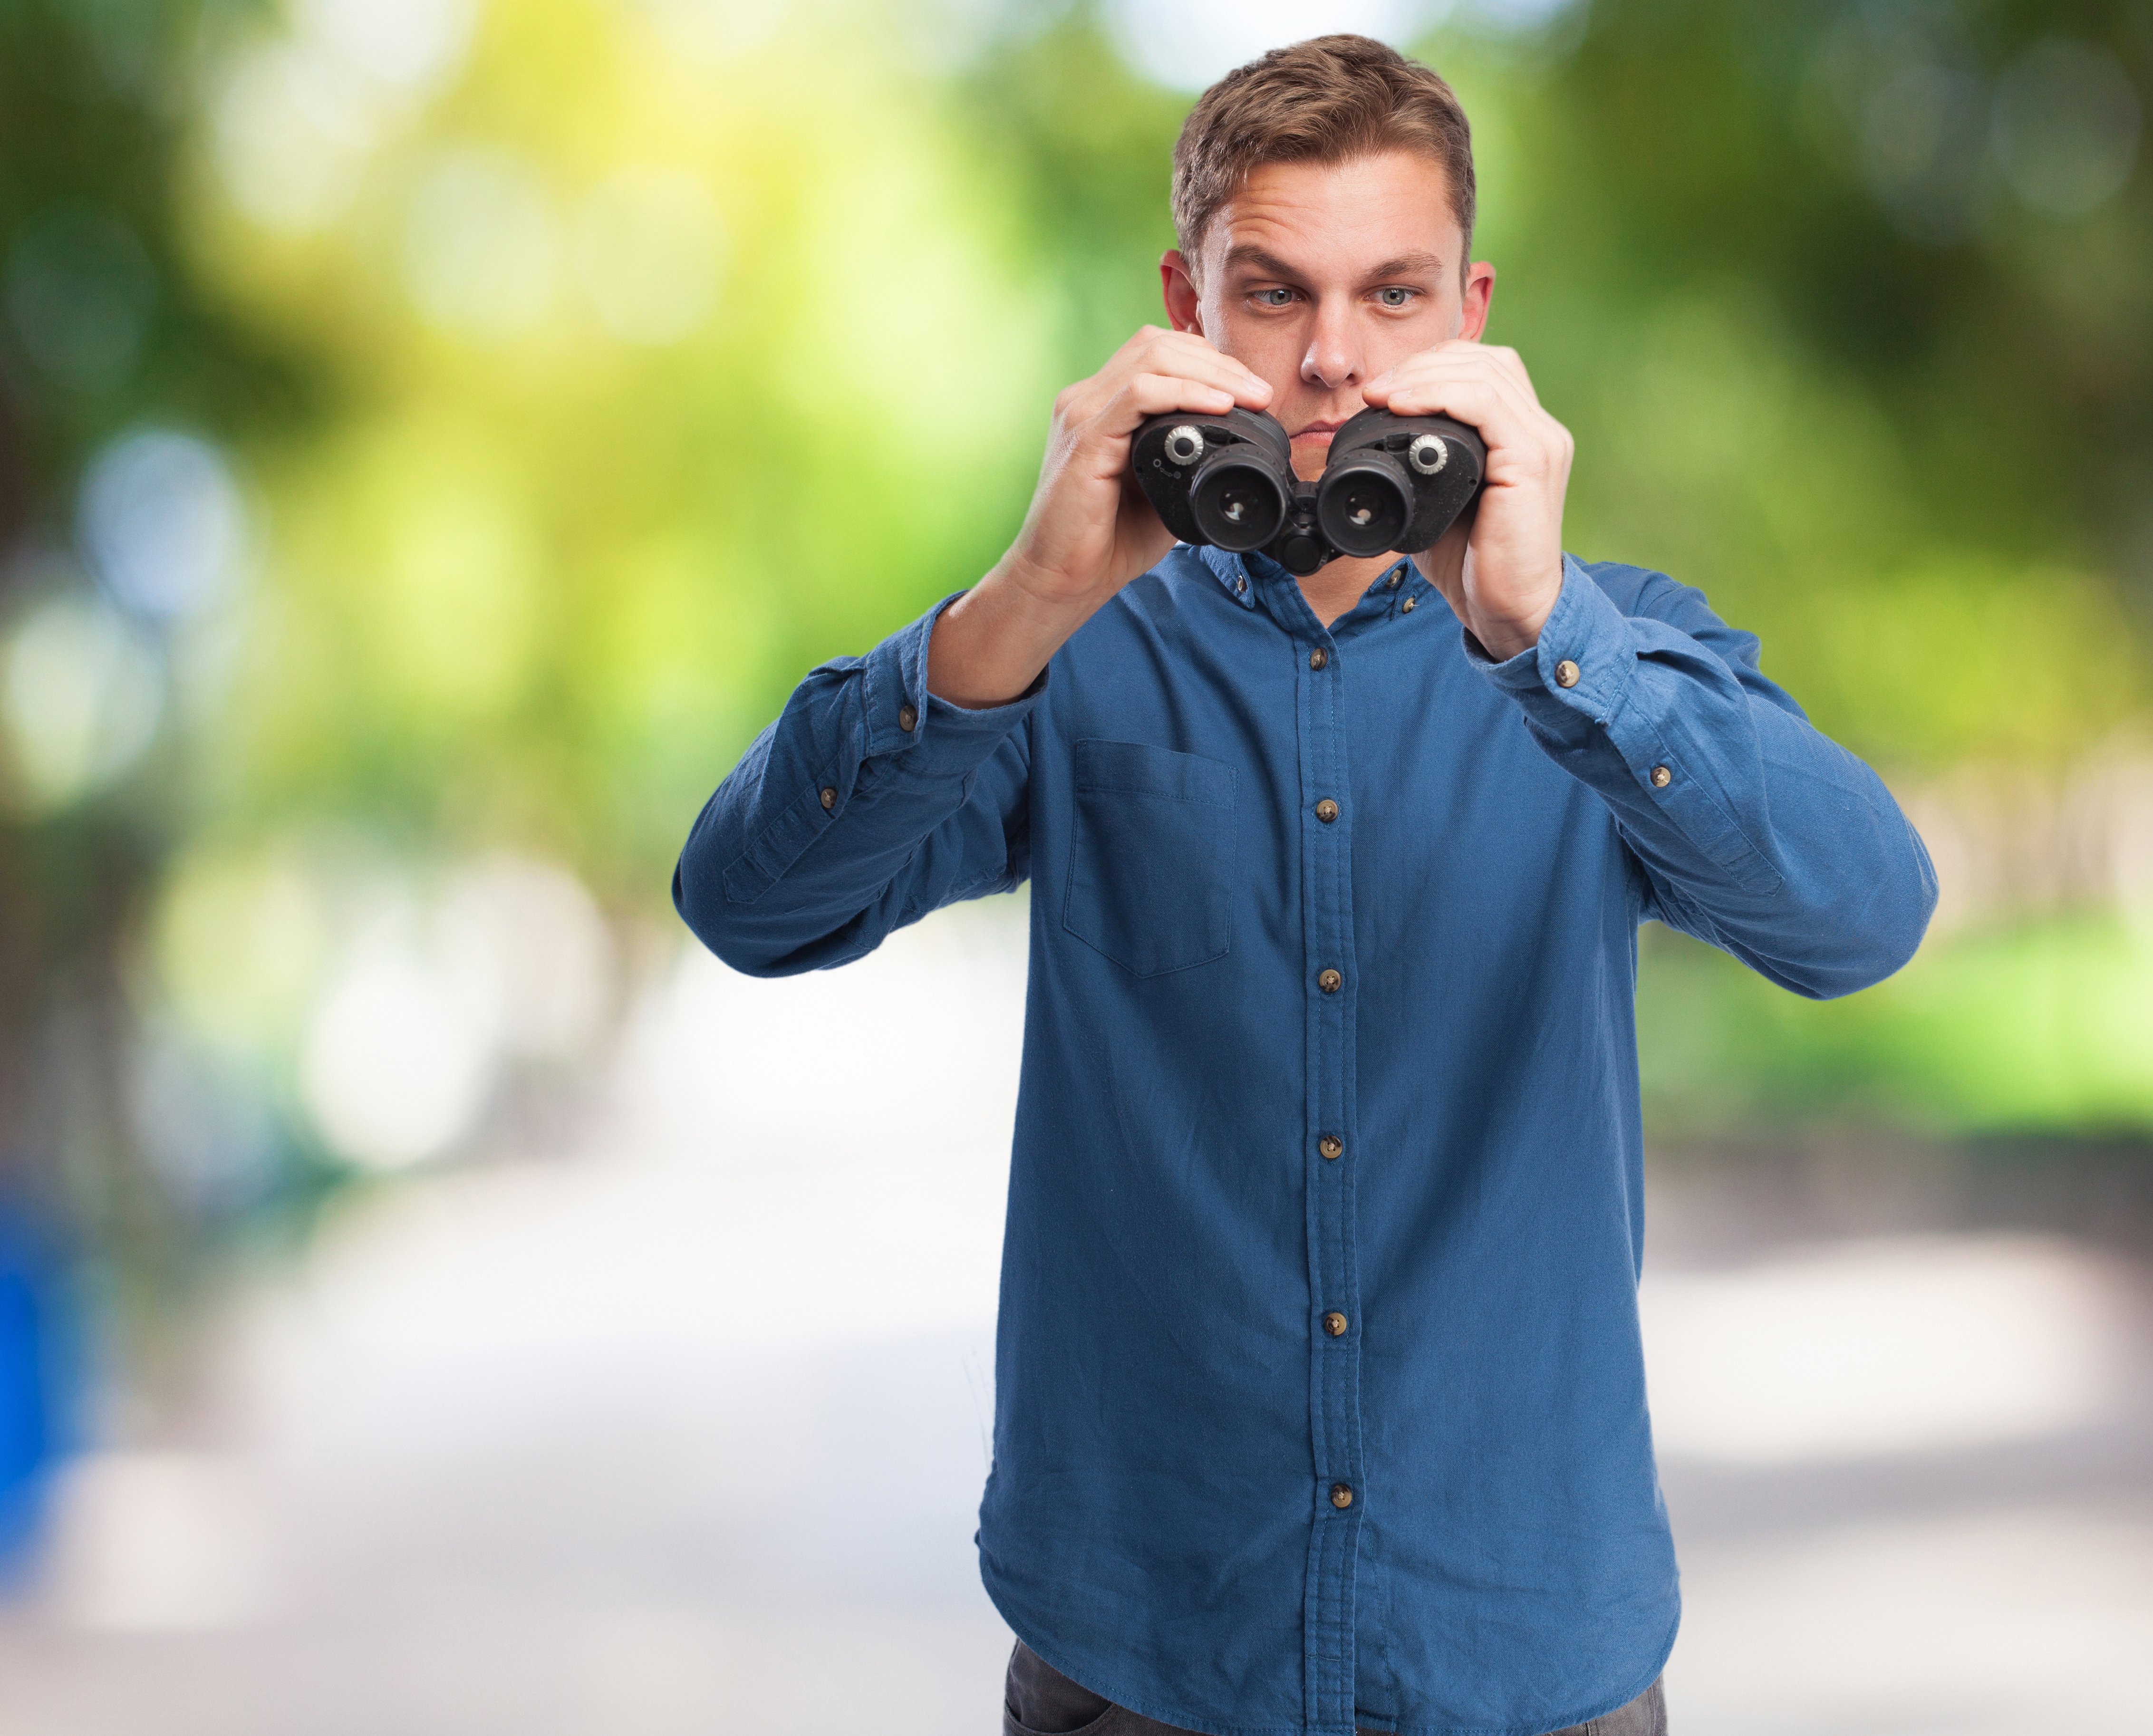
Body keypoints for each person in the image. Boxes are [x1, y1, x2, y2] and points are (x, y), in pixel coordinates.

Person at [674, 34, 1935, 1736]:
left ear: (1472, 313)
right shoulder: (1067, 652)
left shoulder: (1616, 647)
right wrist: (1020, 605)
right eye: (1272, 294)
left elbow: (1865, 916)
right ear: (1183, 308)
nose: (1334, 359)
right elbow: (748, 902)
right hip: (1145, 1642)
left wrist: (1551, 637)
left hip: (1525, 1647)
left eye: (1393, 294)